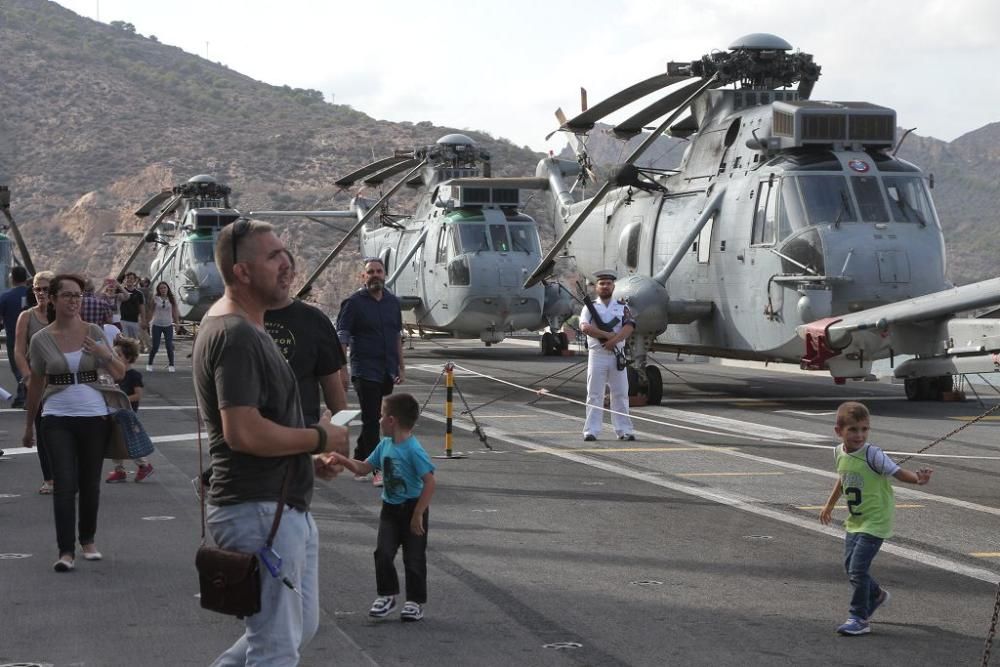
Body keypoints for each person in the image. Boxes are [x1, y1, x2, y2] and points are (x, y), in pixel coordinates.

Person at [192, 219, 348, 664]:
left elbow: (256, 427)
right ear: (241, 272)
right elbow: (242, 431)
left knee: (299, 627)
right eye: (274, 256)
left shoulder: (248, 327)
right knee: (276, 648)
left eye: (287, 254)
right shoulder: (235, 334)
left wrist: (307, 455)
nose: (288, 264)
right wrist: (319, 435)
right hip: (261, 511)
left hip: (277, 505)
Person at [22, 274, 129, 572]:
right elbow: (35, 385)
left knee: (89, 483)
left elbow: (119, 373)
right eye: (67, 295)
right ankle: (65, 550)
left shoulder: (94, 331)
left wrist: (104, 354)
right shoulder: (41, 339)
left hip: (94, 416)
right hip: (56, 418)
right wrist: (29, 425)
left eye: (77, 295)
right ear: (53, 299)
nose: (73, 301)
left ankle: (88, 540)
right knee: (64, 484)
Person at [819, 401, 933, 636]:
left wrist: (917, 479)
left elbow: (897, 472)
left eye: (864, 429)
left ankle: (859, 617)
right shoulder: (839, 452)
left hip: (876, 521)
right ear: (839, 431)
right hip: (856, 520)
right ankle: (877, 595)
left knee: (858, 570)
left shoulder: (873, 454)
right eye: (853, 429)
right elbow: (843, 479)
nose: (859, 435)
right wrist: (829, 505)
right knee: (850, 568)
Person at [324, 393, 436, 622]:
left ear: (392, 420)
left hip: (413, 508)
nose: (379, 420)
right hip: (390, 508)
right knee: (383, 553)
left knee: (414, 558)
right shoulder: (385, 445)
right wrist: (342, 460)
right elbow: (365, 468)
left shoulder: (413, 450)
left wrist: (418, 514)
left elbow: (430, 481)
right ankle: (387, 595)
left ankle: (415, 601)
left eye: (382, 415)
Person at [336, 257, 404, 485]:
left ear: (385, 274)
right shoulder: (353, 303)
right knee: (373, 420)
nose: (375, 275)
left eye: (379, 271)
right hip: (364, 370)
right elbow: (342, 336)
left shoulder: (393, 303)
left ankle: (358, 460)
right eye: (370, 272)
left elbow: (397, 336)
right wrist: (341, 369)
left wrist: (401, 365)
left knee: (375, 418)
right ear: (363, 277)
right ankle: (377, 471)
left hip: (387, 369)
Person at [264, 251, 347, 425]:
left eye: (286, 271)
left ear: (294, 276)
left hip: (302, 435)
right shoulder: (241, 319)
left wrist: (340, 433)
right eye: (275, 270)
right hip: (253, 437)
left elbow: (334, 388)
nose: (281, 277)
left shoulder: (315, 320)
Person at [579, 269, 636, 441]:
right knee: (594, 394)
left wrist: (614, 340)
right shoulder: (589, 308)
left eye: (608, 283)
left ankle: (624, 430)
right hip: (598, 355)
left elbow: (629, 326)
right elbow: (585, 328)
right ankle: (591, 430)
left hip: (617, 354)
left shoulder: (622, 307)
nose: (605, 286)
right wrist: (607, 336)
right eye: (602, 283)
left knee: (620, 393)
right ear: (596, 287)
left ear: (613, 286)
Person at [14, 270, 56, 493]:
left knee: (65, 430)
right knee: (43, 430)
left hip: (62, 381)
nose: (41, 293)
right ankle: (49, 479)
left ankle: (68, 474)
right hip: (38, 381)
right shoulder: (27, 317)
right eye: (37, 289)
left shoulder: (63, 315)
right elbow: (19, 351)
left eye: (46, 289)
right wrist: (28, 376)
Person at [105, 337, 153, 483]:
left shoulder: (133, 375)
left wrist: (122, 397)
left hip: (127, 414)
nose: (115, 358)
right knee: (115, 442)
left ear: (129, 358)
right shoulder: (114, 374)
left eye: (118, 355)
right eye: (113, 355)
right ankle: (119, 470)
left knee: (128, 442)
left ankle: (144, 465)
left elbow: (138, 395)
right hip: (115, 413)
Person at [1, 265, 30, 407]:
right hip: (34, 337)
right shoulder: (34, 295)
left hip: (14, 339)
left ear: (12, 278)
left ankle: (24, 396)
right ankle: (23, 395)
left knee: (18, 368)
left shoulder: (5, 297)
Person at [146, 281, 180, 372]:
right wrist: (146, 322)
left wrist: (177, 323)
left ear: (167, 289)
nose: (163, 289)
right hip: (157, 325)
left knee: (169, 346)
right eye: (161, 288)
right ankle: (149, 363)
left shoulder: (172, 299)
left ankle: (171, 365)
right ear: (158, 290)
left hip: (168, 325)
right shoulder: (155, 299)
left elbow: (175, 312)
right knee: (155, 347)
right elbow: (151, 311)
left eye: (164, 288)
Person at [119, 272, 146, 340]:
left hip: (134, 321)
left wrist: (143, 320)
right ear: (125, 280)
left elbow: (142, 308)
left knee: (134, 341)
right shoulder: (120, 291)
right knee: (124, 340)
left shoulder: (139, 294)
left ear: (134, 280)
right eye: (127, 278)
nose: (129, 280)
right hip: (122, 320)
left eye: (131, 278)